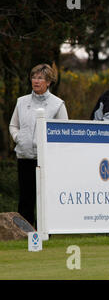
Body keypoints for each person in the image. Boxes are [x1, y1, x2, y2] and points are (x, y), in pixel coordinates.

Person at [9, 64, 68, 227]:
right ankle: (24, 234)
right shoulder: (21, 102)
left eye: (40, 78)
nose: (36, 81)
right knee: (25, 199)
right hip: (24, 157)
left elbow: (64, 132)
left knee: (45, 198)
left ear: (48, 82)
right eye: (34, 77)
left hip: (46, 161)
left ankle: (46, 233)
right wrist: (18, 137)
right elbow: (13, 125)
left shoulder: (57, 104)